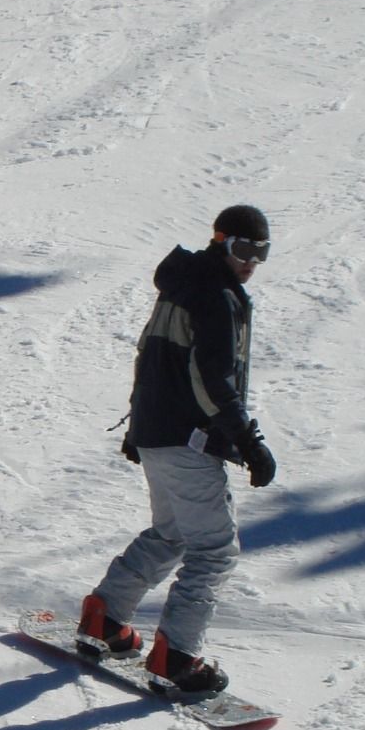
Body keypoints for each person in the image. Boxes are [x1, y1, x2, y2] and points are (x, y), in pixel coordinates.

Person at [77, 204, 278, 694]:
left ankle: (105, 618)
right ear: (220, 241)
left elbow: (149, 358)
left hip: (158, 433)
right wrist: (247, 440)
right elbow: (212, 380)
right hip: (188, 438)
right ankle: (178, 658)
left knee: (172, 532)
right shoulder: (215, 296)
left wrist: (138, 426)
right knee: (214, 550)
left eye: (261, 253)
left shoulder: (181, 284)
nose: (251, 262)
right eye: (243, 249)